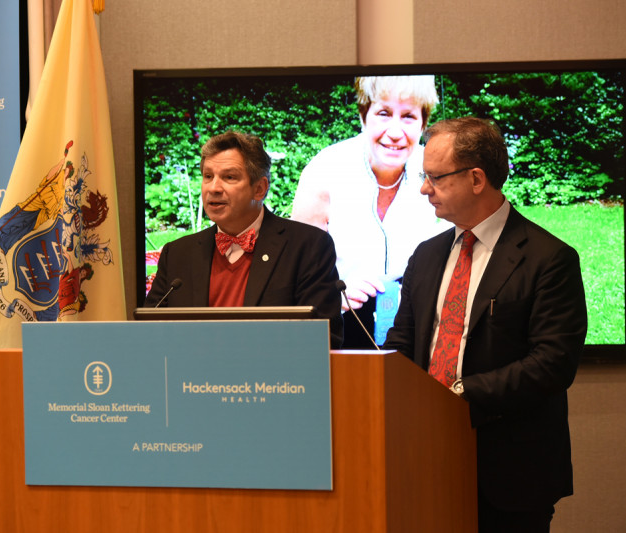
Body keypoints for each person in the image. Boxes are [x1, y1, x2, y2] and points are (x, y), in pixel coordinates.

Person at [383, 117, 588, 532]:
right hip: (424, 461)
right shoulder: (426, 256)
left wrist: (456, 394)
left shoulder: (549, 259)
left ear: (476, 179)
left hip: (510, 473)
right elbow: (403, 341)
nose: (424, 188)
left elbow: (552, 363)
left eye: (435, 178)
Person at [145, 130, 344, 348]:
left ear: (259, 189)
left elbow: (324, 339)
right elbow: (148, 335)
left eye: (229, 177)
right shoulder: (178, 254)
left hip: (272, 380)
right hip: (190, 379)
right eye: (208, 176)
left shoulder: (307, 246)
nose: (213, 188)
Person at [291, 75, 448, 347]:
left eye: (409, 116)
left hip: (416, 323)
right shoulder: (325, 171)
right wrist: (333, 296)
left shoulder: (439, 173)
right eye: (384, 113)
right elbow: (296, 273)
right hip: (339, 325)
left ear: (423, 122)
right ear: (364, 116)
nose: (396, 132)